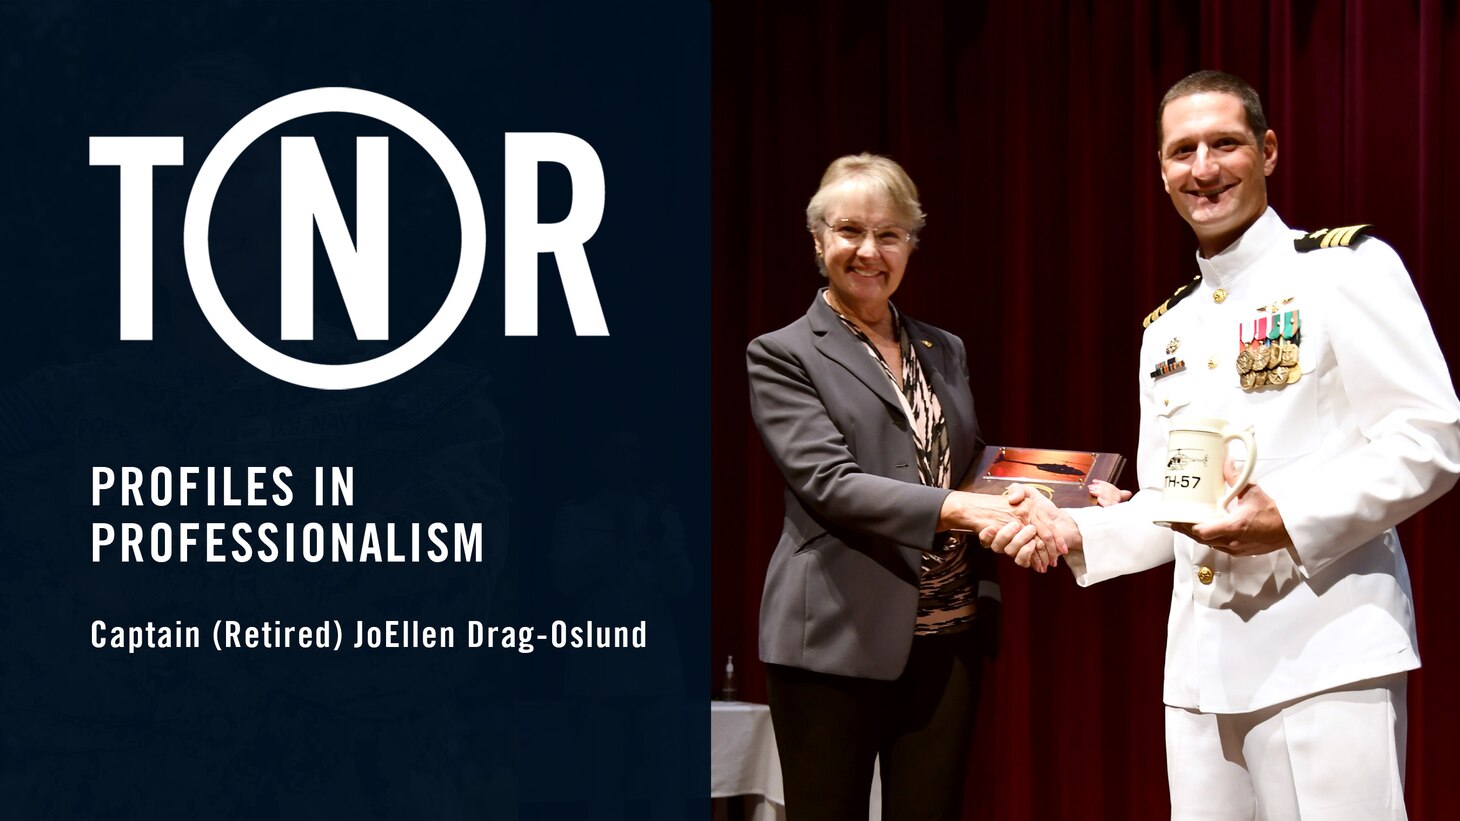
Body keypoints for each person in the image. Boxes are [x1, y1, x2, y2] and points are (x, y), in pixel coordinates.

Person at [994, 71, 1460, 819]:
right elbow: (1176, 504)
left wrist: (1290, 517)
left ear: (1268, 151)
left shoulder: (1344, 270)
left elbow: (1429, 436)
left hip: (1326, 651)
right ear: (1161, 171)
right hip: (1202, 671)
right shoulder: (1165, 330)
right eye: (1183, 151)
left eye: (1225, 144)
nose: (1203, 168)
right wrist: (1074, 527)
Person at [746, 153, 1061, 821]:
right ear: (817, 239)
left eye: (889, 234)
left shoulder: (942, 348)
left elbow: (970, 464)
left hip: (948, 635)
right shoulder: (782, 353)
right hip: (833, 637)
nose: (869, 251)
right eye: (850, 231)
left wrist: (1065, 498)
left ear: (911, 243)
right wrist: (966, 510)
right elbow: (831, 484)